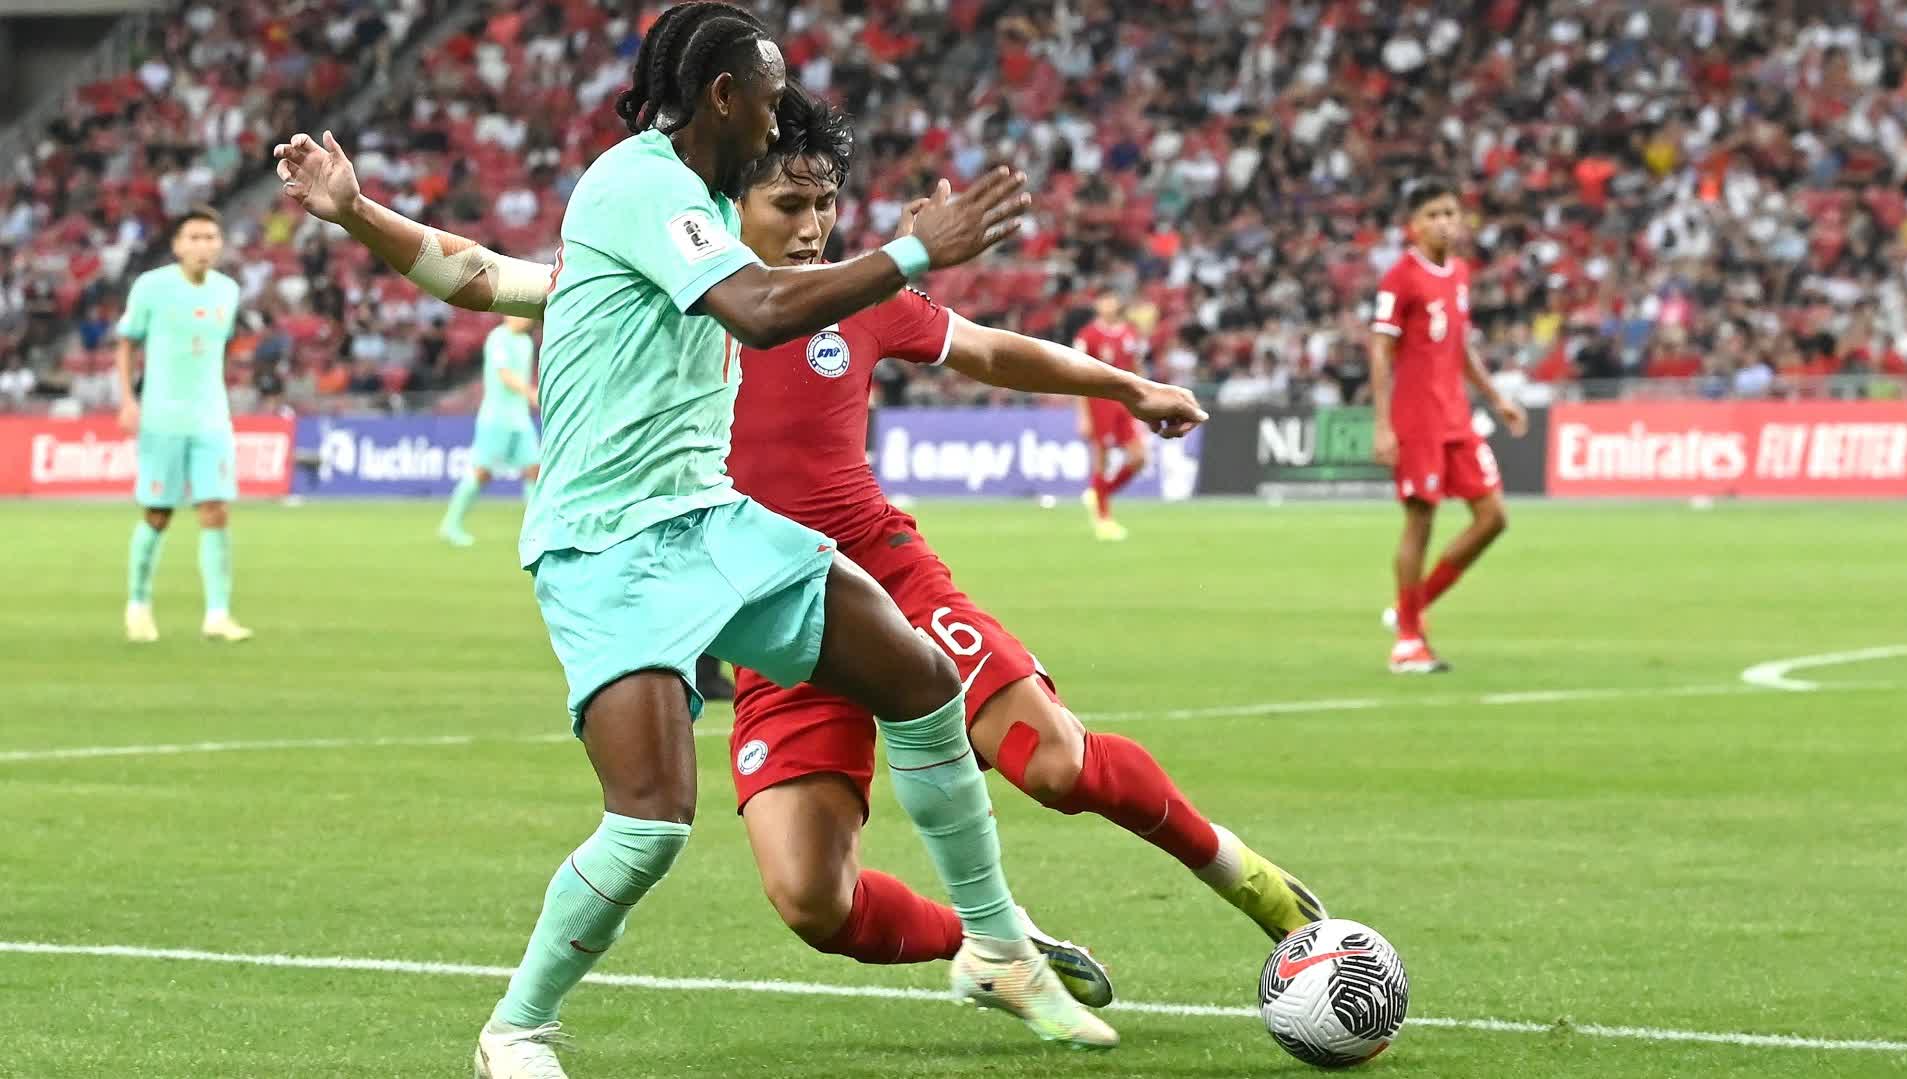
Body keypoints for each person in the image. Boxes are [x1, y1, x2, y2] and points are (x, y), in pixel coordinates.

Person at [277, 82, 1326, 1007]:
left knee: (1052, 762)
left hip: (882, 572)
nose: (818, 225)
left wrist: (1126, 384)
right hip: (759, 603)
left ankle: (1247, 878)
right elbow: (478, 274)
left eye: (827, 204)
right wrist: (356, 211)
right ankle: (987, 945)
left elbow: (991, 351)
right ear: (722, 207)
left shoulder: (860, 295)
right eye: (792, 203)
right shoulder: (647, 275)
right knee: (811, 899)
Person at [1368, 179, 1526, 673]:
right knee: (1421, 521)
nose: (1443, 222)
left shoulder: (1458, 273)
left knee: (1493, 517)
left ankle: (1410, 610)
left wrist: (1497, 399)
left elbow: (1460, 346)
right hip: (1417, 418)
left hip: (1457, 416)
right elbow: (1380, 349)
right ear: (1414, 226)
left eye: (1450, 213)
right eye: (1433, 215)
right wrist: (1382, 425)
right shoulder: (1400, 277)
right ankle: (1407, 643)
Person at [115, 205, 253, 644]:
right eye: (193, 237)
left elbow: (217, 351)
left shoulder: (227, 291)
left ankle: (218, 614)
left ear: (220, 244)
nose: (203, 245)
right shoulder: (151, 287)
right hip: (162, 418)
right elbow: (126, 343)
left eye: (210, 237)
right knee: (158, 514)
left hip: (211, 419)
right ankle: (138, 605)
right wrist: (127, 399)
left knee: (216, 511)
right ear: (176, 245)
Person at [441, 315, 540, 547]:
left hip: (520, 418)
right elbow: (504, 375)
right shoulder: (498, 338)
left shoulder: (526, 342)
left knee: (534, 469)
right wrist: (530, 393)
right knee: (482, 472)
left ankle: (534, 530)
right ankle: (450, 524)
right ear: (507, 314)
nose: (525, 319)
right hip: (496, 418)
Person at [1072, 293, 1151, 541]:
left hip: (1125, 401)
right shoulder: (1087, 336)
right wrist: (1083, 414)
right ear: (1097, 305)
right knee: (1101, 459)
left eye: (1111, 300)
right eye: (1104, 300)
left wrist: (1146, 399)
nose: (1108, 305)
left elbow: (1137, 368)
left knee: (1139, 457)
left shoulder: (1130, 333)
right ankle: (1103, 520)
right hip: (1099, 400)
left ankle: (1100, 493)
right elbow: (1077, 376)